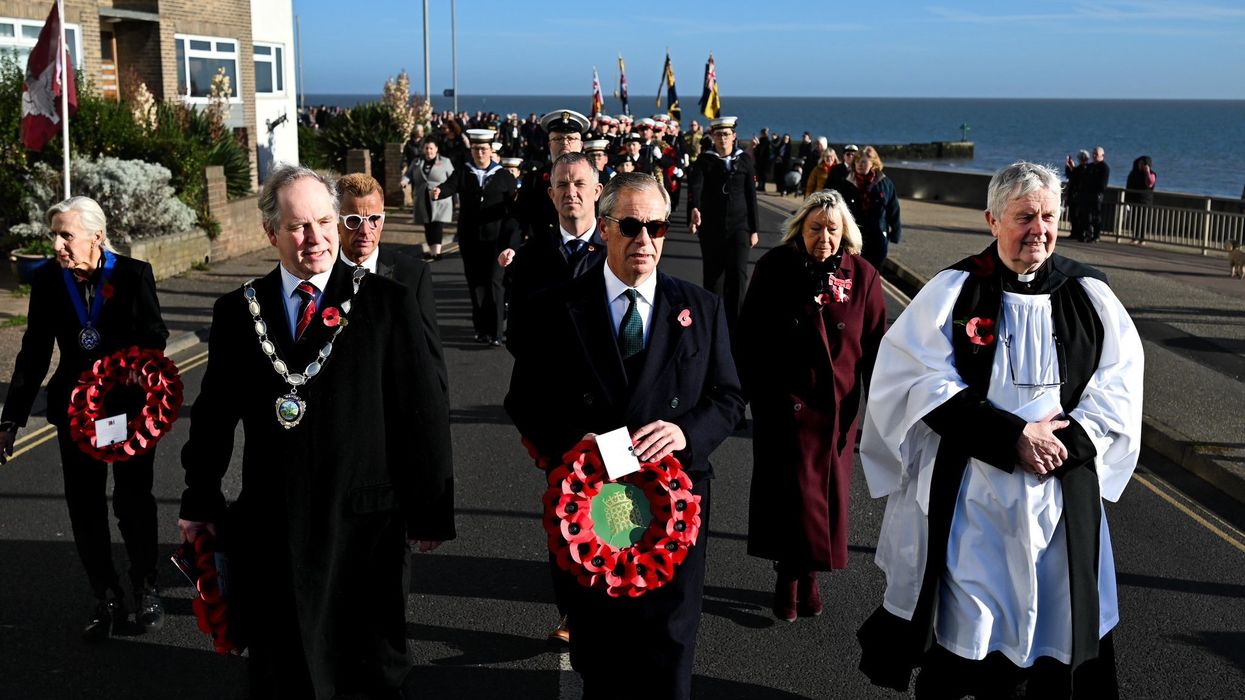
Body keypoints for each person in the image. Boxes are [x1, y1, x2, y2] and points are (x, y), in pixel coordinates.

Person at [856, 161, 1144, 699]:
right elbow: (916, 377)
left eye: (1049, 216)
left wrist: (1062, 442)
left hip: (1061, 500)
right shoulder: (954, 290)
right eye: (1025, 217)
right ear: (992, 220)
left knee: (1055, 629)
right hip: (974, 500)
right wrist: (1010, 436)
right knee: (968, 631)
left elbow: (1120, 385)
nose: (1040, 229)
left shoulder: (1090, 295)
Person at [178, 164, 453, 699]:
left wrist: (431, 507)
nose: (316, 239)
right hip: (273, 527)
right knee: (283, 669)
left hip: (365, 528)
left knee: (369, 671)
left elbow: (420, 413)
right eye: (299, 226)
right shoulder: (238, 312)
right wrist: (199, 498)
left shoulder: (385, 303)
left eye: (325, 222)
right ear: (271, 233)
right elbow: (213, 418)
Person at [505, 172, 745, 700]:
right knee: (602, 655)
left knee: (671, 651)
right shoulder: (556, 305)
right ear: (606, 228)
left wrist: (684, 434)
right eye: (631, 226)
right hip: (595, 508)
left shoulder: (700, 307)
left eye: (656, 227)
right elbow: (524, 402)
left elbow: (729, 398)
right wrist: (591, 449)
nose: (644, 240)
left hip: (676, 508)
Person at [1, 196, 169, 641]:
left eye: (65, 235)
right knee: (84, 506)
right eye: (54, 234)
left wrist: (128, 368)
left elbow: (155, 334)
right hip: (74, 414)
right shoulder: (48, 283)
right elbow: (34, 353)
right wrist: (10, 419)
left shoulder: (133, 275)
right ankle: (106, 594)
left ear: (96, 235)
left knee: (134, 500)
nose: (57, 243)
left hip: (130, 410)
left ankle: (146, 586)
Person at [738, 190, 886, 622]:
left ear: (846, 234)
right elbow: (749, 339)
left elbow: (877, 346)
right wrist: (753, 395)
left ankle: (805, 573)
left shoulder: (863, 276)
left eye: (832, 229)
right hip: (784, 403)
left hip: (838, 409)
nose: (824, 237)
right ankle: (792, 576)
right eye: (815, 228)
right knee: (793, 496)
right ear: (800, 229)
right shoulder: (773, 268)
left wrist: (885, 408)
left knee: (824, 499)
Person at [337, 172, 447, 394]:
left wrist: (438, 423)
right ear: (335, 220)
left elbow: (431, 359)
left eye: (374, 219)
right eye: (353, 221)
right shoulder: (317, 276)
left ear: (383, 218)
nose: (365, 231)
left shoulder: (413, 275)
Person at [432, 128, 520, 346]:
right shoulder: (464, 171)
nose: (479, 153)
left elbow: (514, 210)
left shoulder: (503, 176)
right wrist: (439, 191)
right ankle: (481, 330)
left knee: (494, 283)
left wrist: (512, 242)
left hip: (496, 241)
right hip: (470, 239)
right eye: (475, 149)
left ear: (491, 150)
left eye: (483, 149)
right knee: (476, 284)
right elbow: (450, 186)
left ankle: (497, 332)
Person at [687, 116, 759, 334]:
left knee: (738, 275)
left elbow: (751, 195)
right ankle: (713, 323)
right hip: (711, 228)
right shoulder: (704, 160)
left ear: (734, 136)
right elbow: (696, 186)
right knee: (714, 277)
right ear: (712, 137)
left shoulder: (744, 160)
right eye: (718, 134)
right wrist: (695, 208)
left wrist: (754, 229)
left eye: (726, 134)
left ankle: (737, 324)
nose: (722, 138)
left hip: (740, 226)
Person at [516, 109, 590, 243]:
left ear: (581, 145)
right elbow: (520, 219)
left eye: (571, 138)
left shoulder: (597, 178)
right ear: (550, 145)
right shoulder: (533, 180)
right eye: (558, 138)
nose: (565, 143)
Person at [831, 145, 901, 271]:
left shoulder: (885, 184)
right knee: (853, 271)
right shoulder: (846, 183)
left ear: (873, 163)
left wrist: (895, 233)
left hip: (878, 236)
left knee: (873, 272)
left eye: (863, 162)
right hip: (853, 236)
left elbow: (893, 209)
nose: (859, 164)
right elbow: (838, 210)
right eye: (857, 161)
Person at [401, 138, 455, 261]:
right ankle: (432, 251)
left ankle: (437, 252)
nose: (429, 151)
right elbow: (408, 175)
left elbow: (453, 179)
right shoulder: (417, 162)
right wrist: (404, 181)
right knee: (428, 224)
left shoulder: (445, 162)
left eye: (431, 148)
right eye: (426, 148)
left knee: (437, 224)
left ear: (436, 149)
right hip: (422, 198)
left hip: (440, 199)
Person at [1124, 155, 1156, 245]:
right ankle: (1135, 237)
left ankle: (1142, 239)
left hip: (1145, 201)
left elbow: (1149, 183)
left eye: (1143, 164)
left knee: (1143, 220)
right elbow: (1128, 187)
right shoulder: (1133, 174)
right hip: (1134, 200)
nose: (1140, 165)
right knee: (1134, 219)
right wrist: (1127, 201)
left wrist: (1147, 172)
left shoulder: (1152, 174)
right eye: (1139, 163)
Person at [1064, 150, 1090, 241]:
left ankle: (1077, 233)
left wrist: (1069, 167)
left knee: (1076, 216)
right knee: (1075, 216)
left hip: (1077, 196)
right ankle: (1077, 233)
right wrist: (1070, 167)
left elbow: (1071, 176)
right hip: (1078, 196)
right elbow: (1072, 175)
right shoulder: (1085, 169)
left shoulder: (1081, 169)